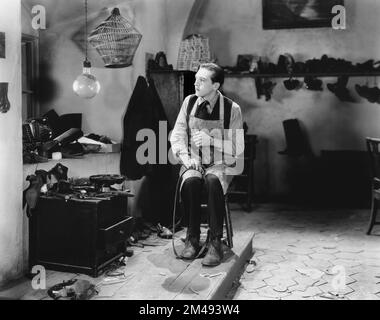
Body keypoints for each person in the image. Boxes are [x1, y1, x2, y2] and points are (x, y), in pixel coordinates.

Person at [170, 63, 244, 266]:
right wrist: (187, 158)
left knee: (212, 181)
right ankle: (192, 238)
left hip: (221, 164)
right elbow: (177, 135)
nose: (196, 83)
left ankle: (215, 242)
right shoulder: (189, 102)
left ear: (216, 85)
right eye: (196, 79)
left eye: (202, 80)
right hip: (194, 160)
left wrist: (212, 140)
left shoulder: (232, 109)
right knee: (191, 182)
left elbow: (238, 147)